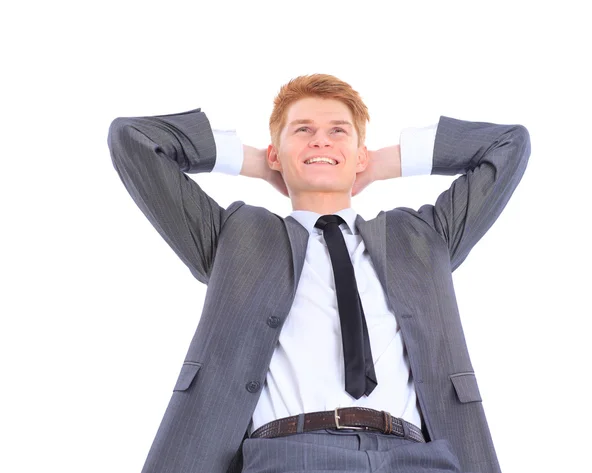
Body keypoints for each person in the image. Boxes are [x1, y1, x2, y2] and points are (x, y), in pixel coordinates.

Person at [107, 73, 530, 473]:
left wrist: (379, 164)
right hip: (290, 455)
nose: (320, 139)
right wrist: (259, 162)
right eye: (302, 130)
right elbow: (134, 139)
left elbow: (509, 144)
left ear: (360, 151)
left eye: (338, 131)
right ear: (276, 151)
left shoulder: (421, 235)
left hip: (416, 457)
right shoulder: (234, 236)